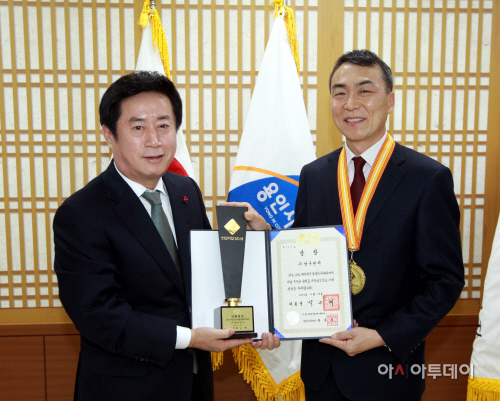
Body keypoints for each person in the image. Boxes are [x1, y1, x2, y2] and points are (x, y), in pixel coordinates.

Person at [233, 50, 464, 401]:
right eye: (339, 92)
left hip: (389, 370)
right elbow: (301, 254)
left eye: (364, 91)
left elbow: (444, 281)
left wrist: (381, 335)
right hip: (322, 371)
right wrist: (266, 235)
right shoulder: (315, 175)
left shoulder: (427, 178)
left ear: (390, 101)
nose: (350, 103)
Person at [53, 71, 279, 401]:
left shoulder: (184, 190)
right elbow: (99, 315)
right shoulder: (82, 213)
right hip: (125, 388)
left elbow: (207, 274)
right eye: (138, 127)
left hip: (192, 384)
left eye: (163, 125)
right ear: (108, 135)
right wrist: (190, 338)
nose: (154, 140)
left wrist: (256, 244)